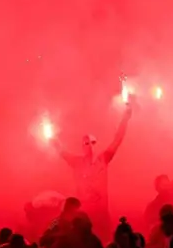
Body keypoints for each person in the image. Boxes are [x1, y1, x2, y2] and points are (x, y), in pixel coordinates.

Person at [51, 97, 132, 233]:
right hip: (84, 214)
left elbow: (117, 139)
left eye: (93, 142)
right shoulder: (77, 162)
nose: (90, 146)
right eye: (86, 143)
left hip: (101, 213)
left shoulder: (103, 159)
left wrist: (125, 118)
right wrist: (52, 138)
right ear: (82, 146)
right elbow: (61, 151)